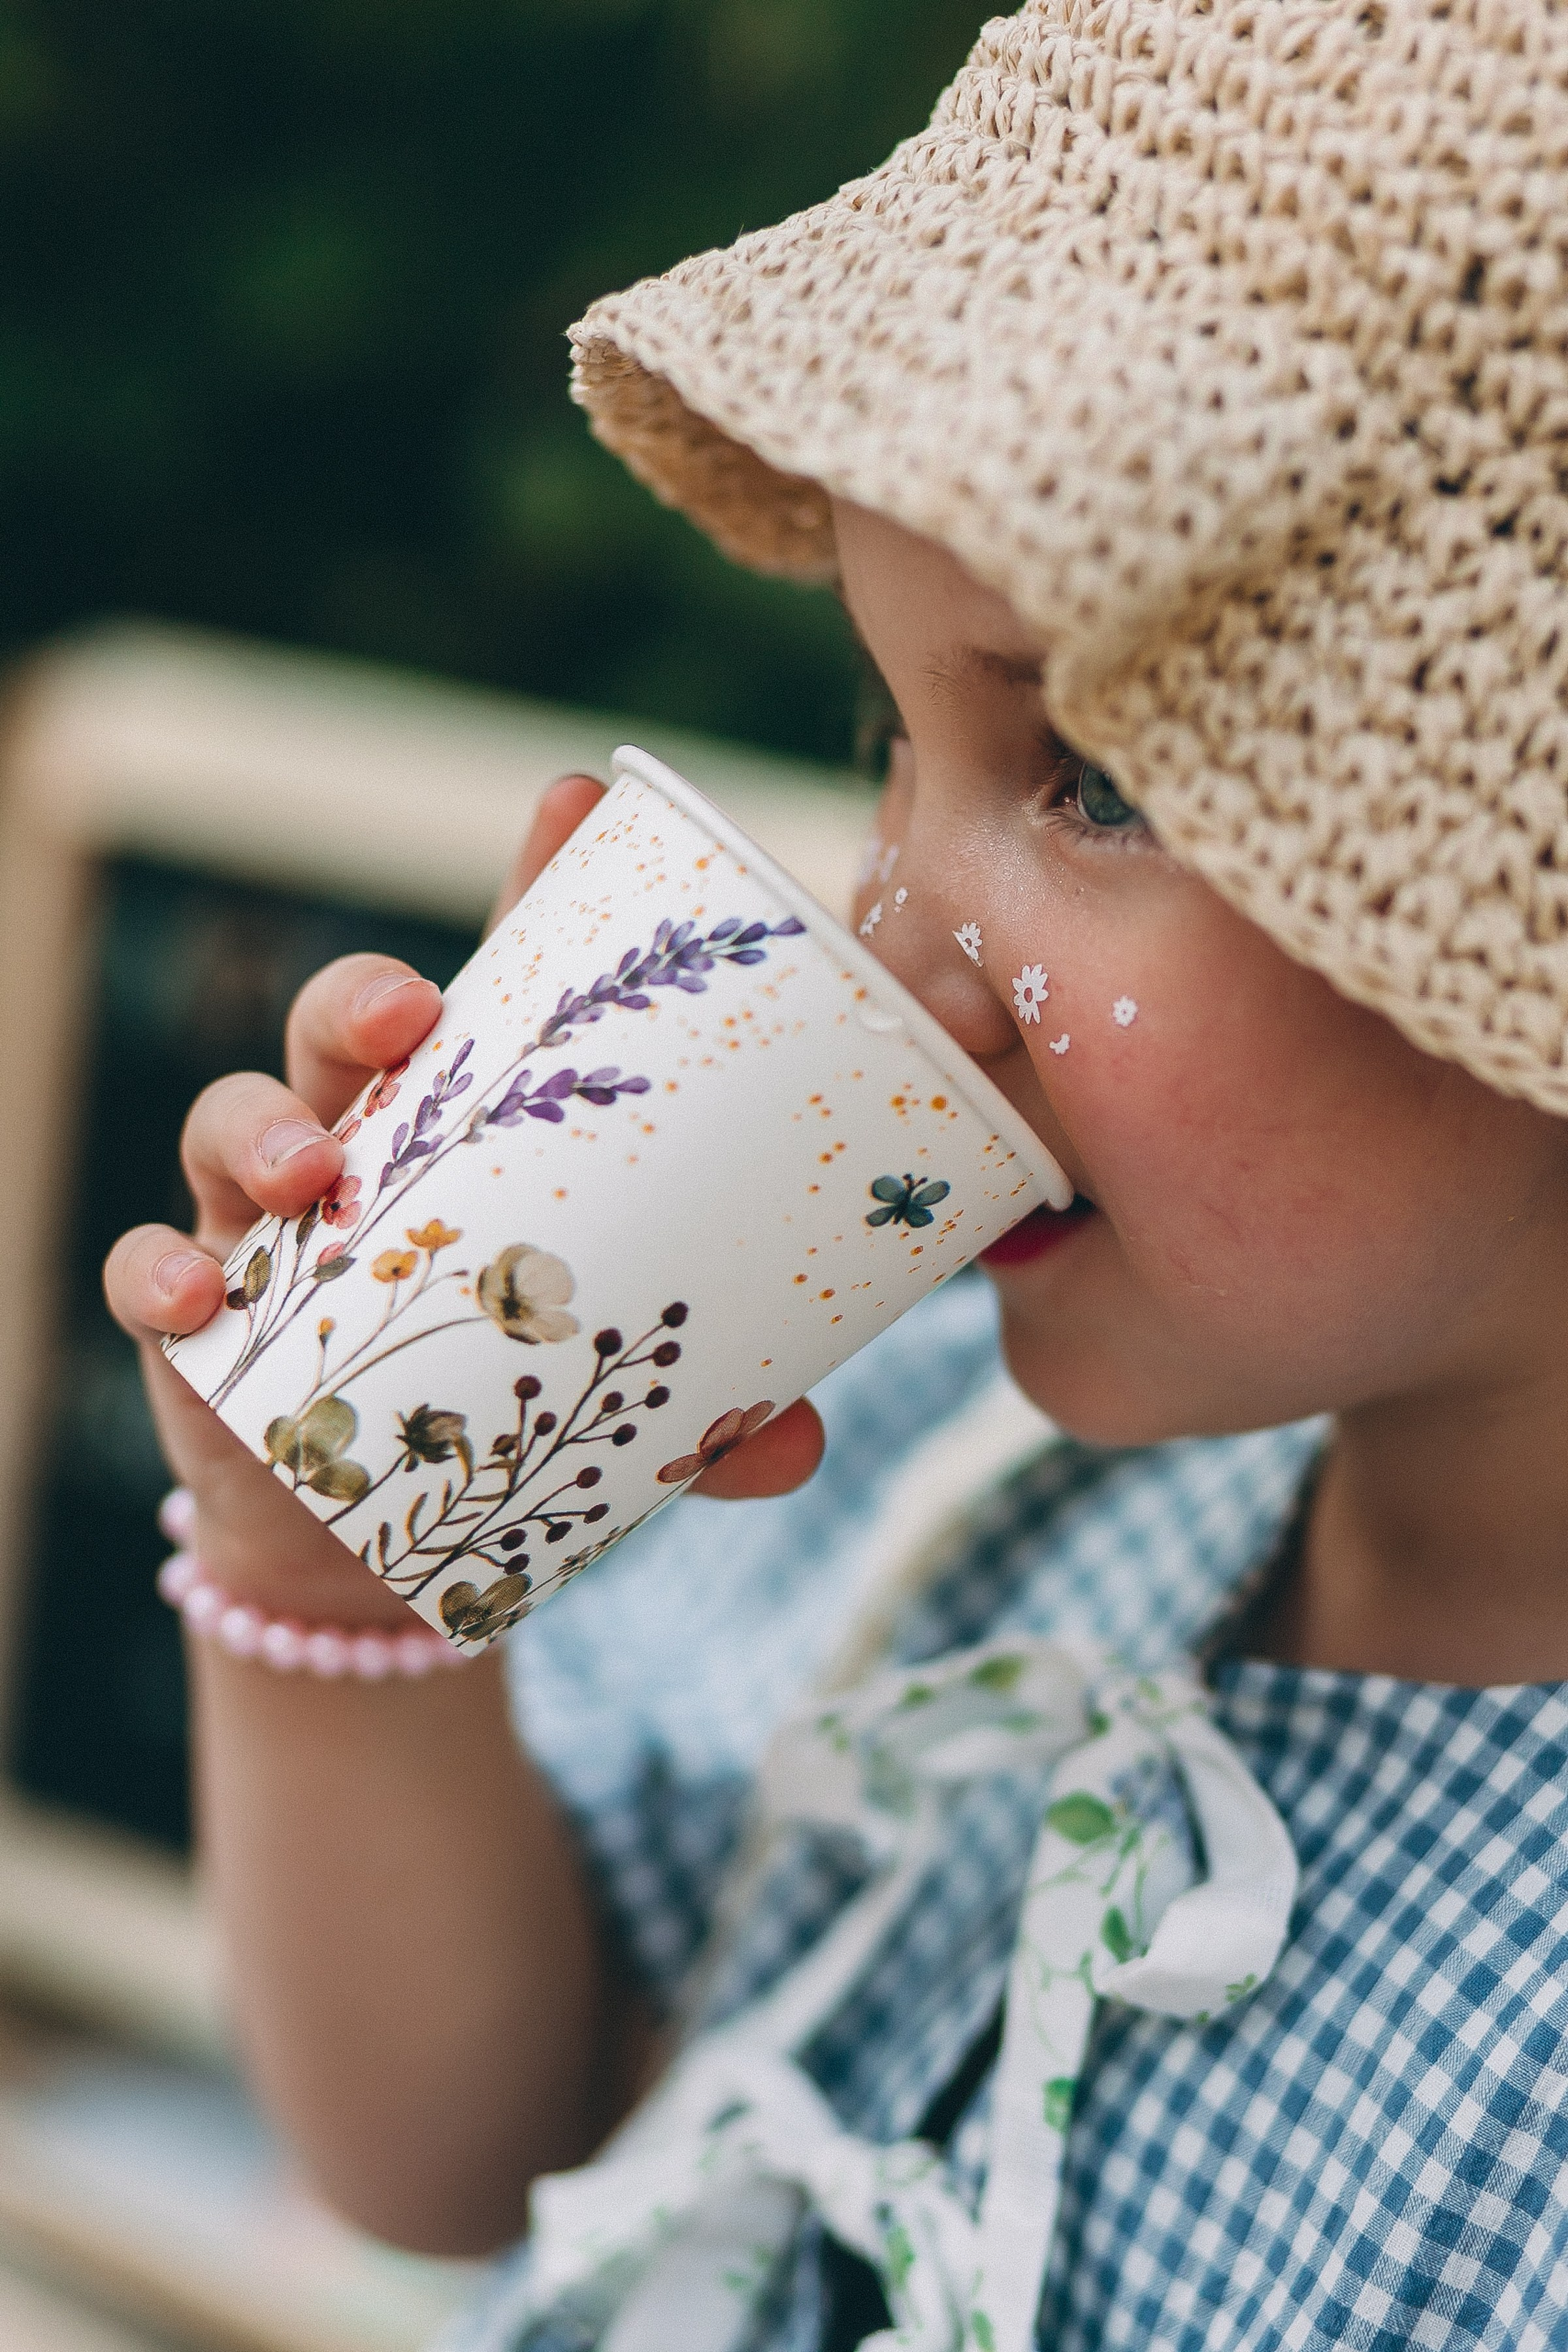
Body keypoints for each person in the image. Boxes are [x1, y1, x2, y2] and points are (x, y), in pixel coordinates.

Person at [105, 2, 1568, 2344]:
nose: (894, 940)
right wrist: (340, 1579)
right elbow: (487, 2145)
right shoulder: (940, 1481)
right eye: (895, 736)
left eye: (1096, 780)